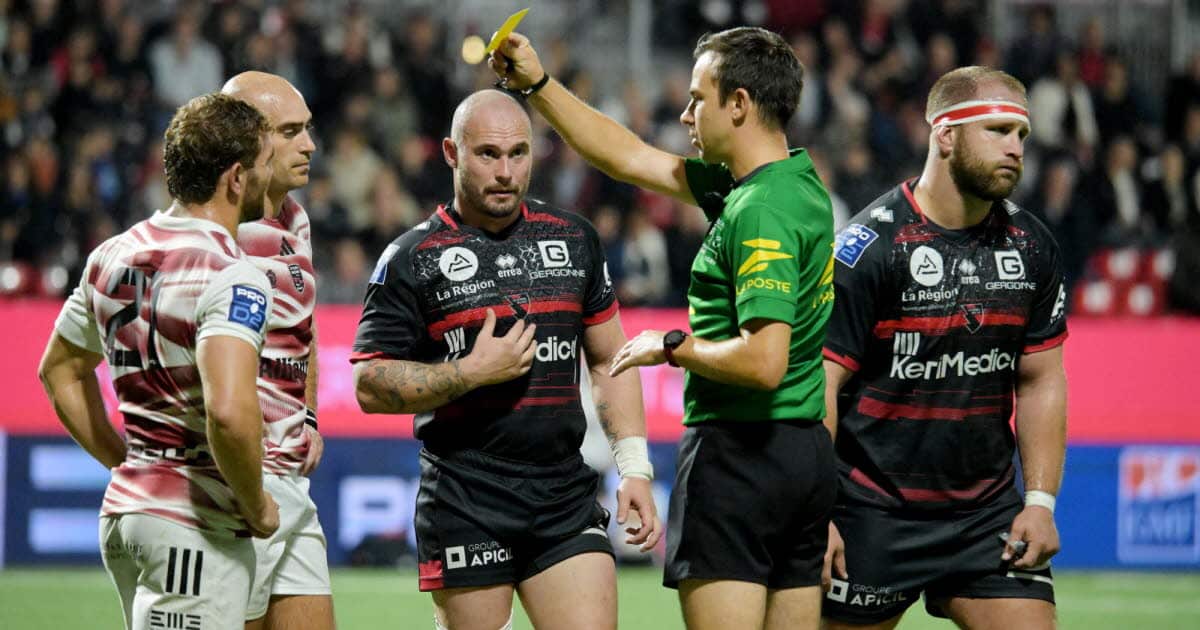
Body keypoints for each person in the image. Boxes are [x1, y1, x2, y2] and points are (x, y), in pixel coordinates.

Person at [492, 27, 837, 630]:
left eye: (698, 98)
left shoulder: (759, 210)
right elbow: (625, 155)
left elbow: (764, 361)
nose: (684, 113)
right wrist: (539, 86)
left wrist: (671, 346)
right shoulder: (792, 185)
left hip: (739, 457)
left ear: (739, 105)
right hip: (803, 456)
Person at [350, 89, 662, 630]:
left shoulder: (574, 238)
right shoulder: (411, 258)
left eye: (518, 154)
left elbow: (612, 358)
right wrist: (468, 372)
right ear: (451, 152)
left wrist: (634, 467)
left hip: (563, 491)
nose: (505, 171)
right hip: (465, 496)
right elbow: (369, 382)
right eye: (487, 155)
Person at [820, 66, 1068, 630]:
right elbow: (822, 386)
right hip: (872, 511)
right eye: (999, 131)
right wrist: (817, 515)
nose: (1016, 149)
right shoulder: (868, 247)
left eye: (1021, 136)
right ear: (945, 134)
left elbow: (1041, 379)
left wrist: (1041, 502)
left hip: (985, 515)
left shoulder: (1033, 246)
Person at [36, 92, 280, 630]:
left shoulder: (112, 254)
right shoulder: (232, 273)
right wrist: (258, 504)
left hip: (129, 512)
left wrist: (127, 461)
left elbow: (58, 370)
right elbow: (229, 413)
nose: (272, 176)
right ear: (236, 178)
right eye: (264, 163)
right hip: (193, 524)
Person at [221, 71, 334, 630]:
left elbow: (303, 332)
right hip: (240, 487)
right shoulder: (216, 233)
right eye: (291, 131)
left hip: (293, 481)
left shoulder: (295, 219)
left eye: (308, 128)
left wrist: (308, 414)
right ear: (247, 140)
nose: (310, 144)